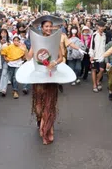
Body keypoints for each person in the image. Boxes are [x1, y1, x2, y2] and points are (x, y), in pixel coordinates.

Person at [16, 15, 76, 145]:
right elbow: (29, 58)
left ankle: (47, 130)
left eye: (50, 26)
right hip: (38, 79)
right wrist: (24, 49)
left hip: (51, 77)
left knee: (49, 105)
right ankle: (42, 121)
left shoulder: (56, 39)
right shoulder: (36, 41)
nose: (49, 28)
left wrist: (54, 63)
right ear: (41, 28)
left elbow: (61, 57)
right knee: (38, 107)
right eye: (46, 26)